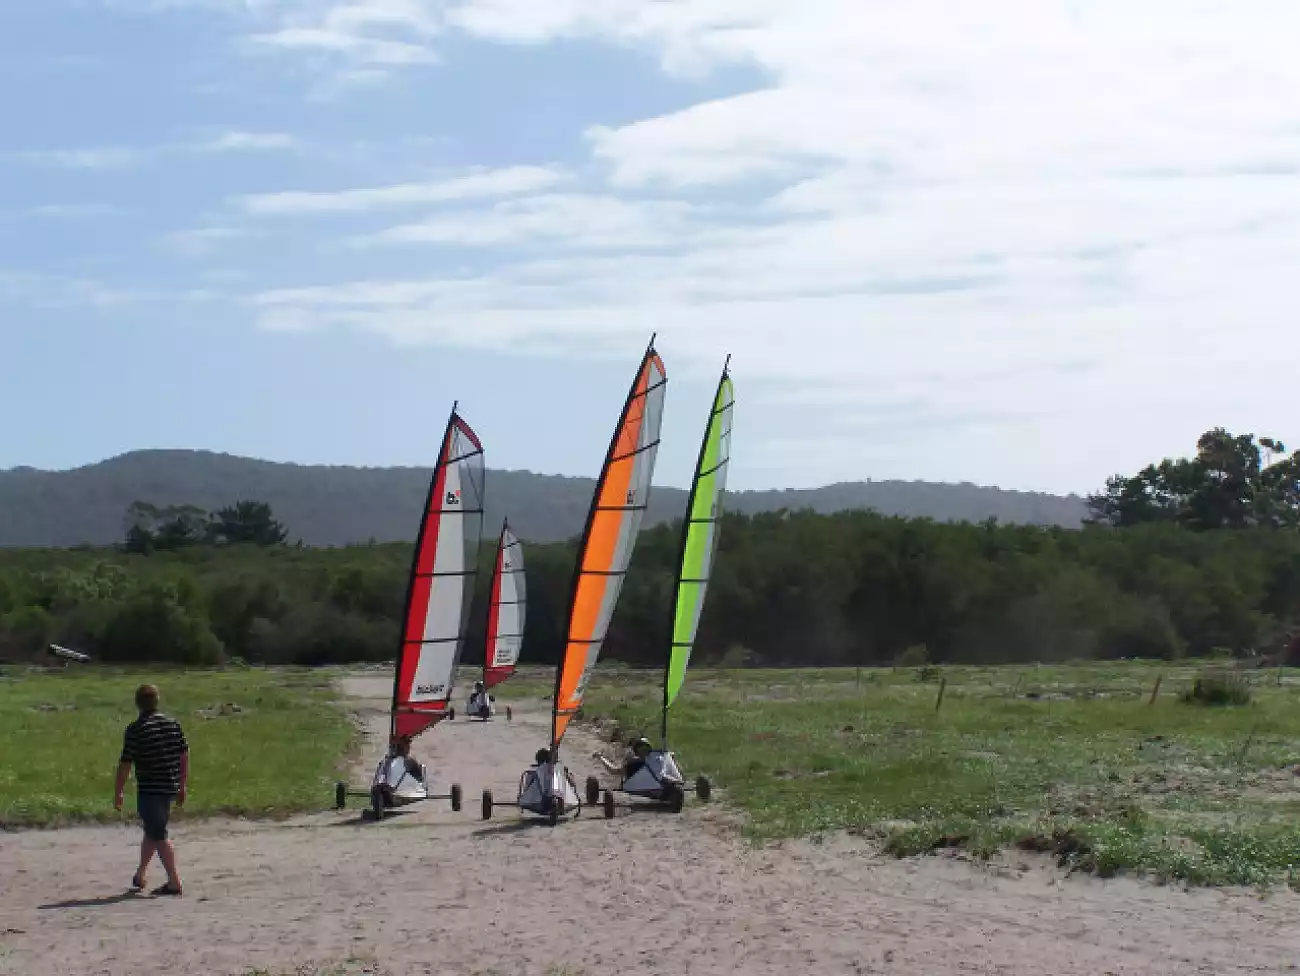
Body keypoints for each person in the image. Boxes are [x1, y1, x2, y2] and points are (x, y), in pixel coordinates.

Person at [114, 683, 188, 897]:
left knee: (158, 833)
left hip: (150, 789)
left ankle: (174, 882)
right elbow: (184, 755)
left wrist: (118, 791)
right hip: (169, 785)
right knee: (152, 830)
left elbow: (126, 763)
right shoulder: (173, 724)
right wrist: (182, 785)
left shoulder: (136, 730)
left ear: (137, 703)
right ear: (157, 701)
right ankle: (140, 874)